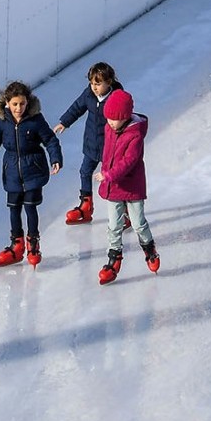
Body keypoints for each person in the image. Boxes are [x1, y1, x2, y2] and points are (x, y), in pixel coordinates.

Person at [0, 80, 63, 267]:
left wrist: (55, 159)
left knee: (31, 208)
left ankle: (33, 243)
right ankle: (17, 245)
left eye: (22, 104)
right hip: (12, 171)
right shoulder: (1, 120)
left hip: (34, 169)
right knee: (14, 208)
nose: (18, 108)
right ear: (7, 102)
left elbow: (50, 139)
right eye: (15, 104)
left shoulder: (35, 119)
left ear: (27, 102)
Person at [97, 88, 160, 284]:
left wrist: (108, 174)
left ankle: (149, 249)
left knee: (138, 223)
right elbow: (108, 153)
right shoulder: (110, 128)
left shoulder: (135, 135)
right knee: (114, 225)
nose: (110, 123)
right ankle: (113, 258)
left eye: (114, 119)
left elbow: (128, 161)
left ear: (125, 117)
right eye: (108, 118)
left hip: (131, 186)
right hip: (113, 186)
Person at [53, 61, 121, 224]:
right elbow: (77, 107)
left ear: (108, 82)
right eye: (91, 83)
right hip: (91, 143)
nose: (94, 87)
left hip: (109, 147)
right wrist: (64, 122)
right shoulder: (89, 94)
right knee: (84, 172)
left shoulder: (117, 98)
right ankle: (85, 207)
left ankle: (122, 212)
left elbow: (124, 118)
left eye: (98, 84)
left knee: (112, 179)